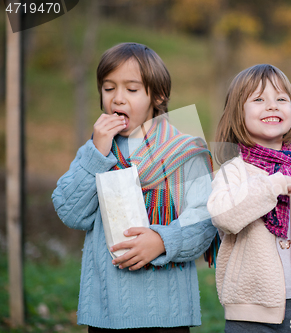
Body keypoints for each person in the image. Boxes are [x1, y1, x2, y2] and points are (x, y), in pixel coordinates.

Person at [52, 42, 216, 332]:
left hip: (168, 312)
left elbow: (205, 220)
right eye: (108, 88)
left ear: (158, 95)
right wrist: (97, 153)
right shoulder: (95, 151)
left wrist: (163, 241)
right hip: (106, 311)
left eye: (132, 89)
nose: (118, 99)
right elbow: (71, 212)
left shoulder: (184, 150)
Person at [207, 64, 291, 332]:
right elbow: (223, 216)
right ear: (239, 113)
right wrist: (274, 186)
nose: (272, 106)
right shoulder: (233, 171)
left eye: (281, 99)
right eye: (259, 100)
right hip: (249, 308)